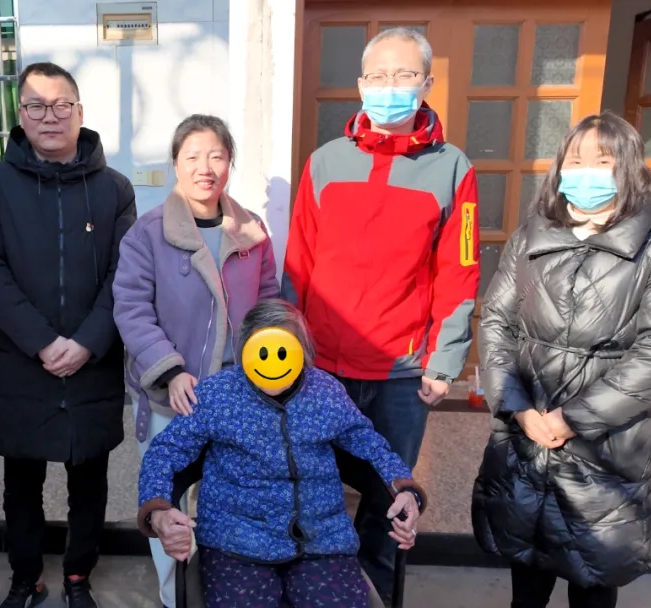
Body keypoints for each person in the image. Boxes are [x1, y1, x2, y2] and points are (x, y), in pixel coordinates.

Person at [281, 26, 480, 602]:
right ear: (361, 84)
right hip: (323, 370)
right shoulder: (324, 163)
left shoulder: (453, 168)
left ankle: (377, 595)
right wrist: (291, 353)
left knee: (388, 505)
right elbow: (299, 266)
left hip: (400, 374)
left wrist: (444, 361)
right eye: (379, 76)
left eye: (404, 75)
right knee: (315, 497)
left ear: (426, 83)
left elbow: (460, 271)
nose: (390, 87)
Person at [471, 111, 651, 608]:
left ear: (628, 169)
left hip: (605, 445)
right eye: (576, 158)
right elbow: (496, 324)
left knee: (592, 584)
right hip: (526, 433)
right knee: (526, 581)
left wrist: (573, 419)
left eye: (603, 159)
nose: (587, 170)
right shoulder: (531, 236)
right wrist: (519, 408)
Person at [0, 62, 137, 608]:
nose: (50, 116)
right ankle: (26, 577)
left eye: (61, 104)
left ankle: (79, 576)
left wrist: (87, 341)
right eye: (35, 105)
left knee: (89, 481)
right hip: (22, 361)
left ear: (80, 112)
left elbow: (126, 275)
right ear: (20, 116)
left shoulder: (114, 189)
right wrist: (41, 341)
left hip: (94, 361)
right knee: (22, 485)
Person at [137, 300, 426, 608]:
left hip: (321, 540)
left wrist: (405, 488)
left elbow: (369, 444)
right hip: (236, 540)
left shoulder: (325, 391)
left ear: (302, 350)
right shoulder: (217, 393)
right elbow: (164, 453)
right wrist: (158, 512)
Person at [112, 113, 279, 608]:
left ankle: (226, 593)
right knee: (169, 507)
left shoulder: (252, 231)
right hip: (172, 397)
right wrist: (170, 367)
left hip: (240, 396)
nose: (205, 167)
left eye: (216, 155)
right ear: (175, 165)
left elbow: (269, 304)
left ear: (230, 162)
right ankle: (175, 597)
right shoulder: (148, 233)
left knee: (233, 504)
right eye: (193, 157)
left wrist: (266, 373)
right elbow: (131, 307)